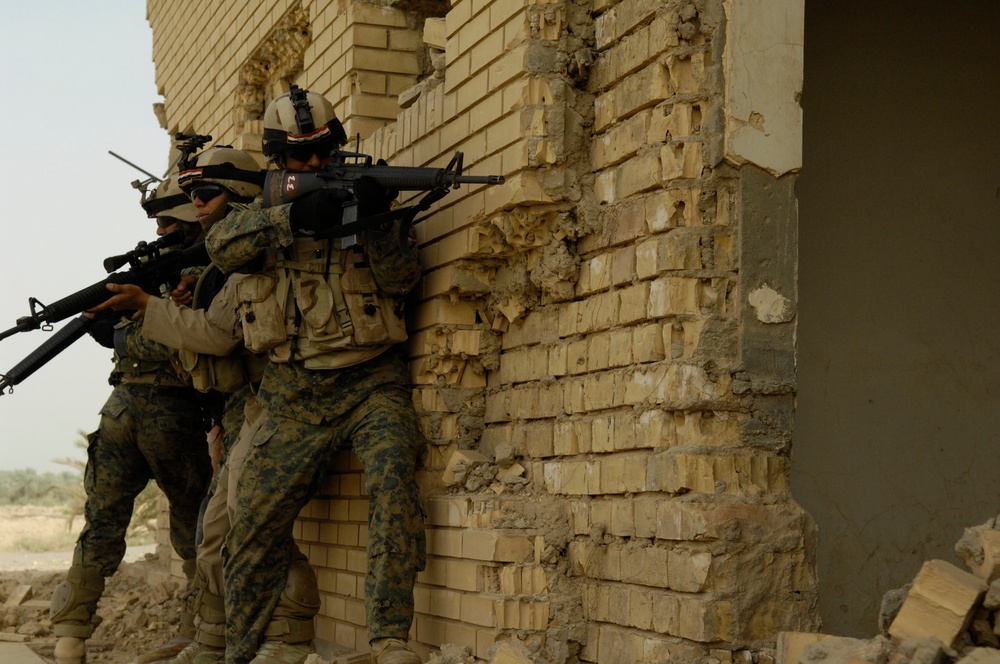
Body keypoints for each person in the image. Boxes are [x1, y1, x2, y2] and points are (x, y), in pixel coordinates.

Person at [204, 85, 426, 664]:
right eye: (300, 157)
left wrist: (378, 219)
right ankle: (240, 652)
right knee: (250, 529)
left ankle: (389, 639)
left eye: (322, 152)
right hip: (292, 394)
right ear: (279, 160)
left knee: (394, 483)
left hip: (371, 383)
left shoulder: (368, 198)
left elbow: (403, 282)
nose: (314, 164)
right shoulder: (261, 213)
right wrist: (293, 218)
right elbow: (221, 248)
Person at [92, 147, 269, 664]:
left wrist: (149, 309)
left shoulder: (247, 257)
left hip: (257, 402)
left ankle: (243, 637)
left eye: (204, 197)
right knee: (211, 530)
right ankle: (207, 637)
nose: (195, 213)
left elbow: (215, 338)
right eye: (189, 201)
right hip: (230, 408)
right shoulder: (214, 265)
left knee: (233, 526)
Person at [51, 176, 214, 664]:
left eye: (167, 221)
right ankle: (196, 629)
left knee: (102, 522)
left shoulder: (180, 276)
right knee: (195, 527)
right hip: (169, 411)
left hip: (121, 409)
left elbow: (114, 336)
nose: (162, 231)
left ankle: (71, 634)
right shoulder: (192, 275)